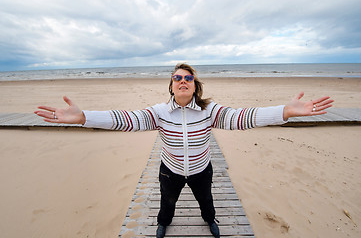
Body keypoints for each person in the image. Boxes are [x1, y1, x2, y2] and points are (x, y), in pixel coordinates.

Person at [34, 63, 333, 238]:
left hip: (202, 169)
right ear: (171, 86)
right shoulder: (159, 112)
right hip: (170, 170)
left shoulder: (209, 111)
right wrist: (85, 117)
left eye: (188, 78)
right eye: (177, 77)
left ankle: (210, 220)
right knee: (167, 203)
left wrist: (284, 112)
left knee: (207, 200)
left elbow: (243, 117)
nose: (182, 81)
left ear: (195, 86)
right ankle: (163, 224)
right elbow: (126, 119)